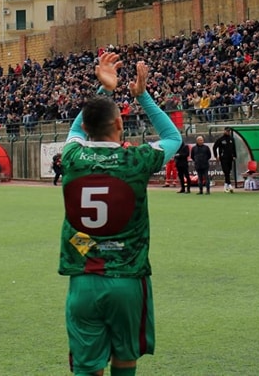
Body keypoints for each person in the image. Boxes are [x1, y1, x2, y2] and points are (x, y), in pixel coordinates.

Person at [58, 50, 181, 376]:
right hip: (127, 279)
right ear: (120, 122)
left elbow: (78, 128)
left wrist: (105, 90)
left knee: (87, 366)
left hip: (83, 279)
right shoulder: (137, 160)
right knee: (125, 360)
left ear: (86, 127)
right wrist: (142, 96)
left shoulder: (71, 156)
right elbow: (173, 137)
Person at [212, 127, 236, 193]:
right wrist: (216, 156)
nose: (228, 132)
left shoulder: (232, 139)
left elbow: (234, 148)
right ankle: (230, 185)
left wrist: (234, 155)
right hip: (223, 158)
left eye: (229, 131)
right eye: (227, 131)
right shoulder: (220, 139)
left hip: (230, 158)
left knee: (228, 171)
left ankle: (226, 185)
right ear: (224, 131)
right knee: (226, 171)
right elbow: (214, 147)